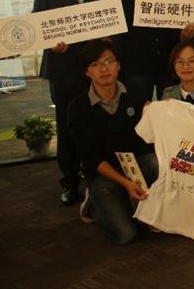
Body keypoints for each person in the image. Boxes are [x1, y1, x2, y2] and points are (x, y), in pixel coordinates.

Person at [33, 0, 120, 205]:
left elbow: (115, 29)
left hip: (98, 70)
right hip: (62, 68)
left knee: (100, 123)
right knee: (66, 125)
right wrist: (50, 43)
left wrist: (108, 39)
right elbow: (38, 26)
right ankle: (69, 182)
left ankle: (98, 177)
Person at [68, 38, 157, 245]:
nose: (104, 69)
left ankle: (129, 201)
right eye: (95, 64)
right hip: (103, 172)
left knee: (155, 163)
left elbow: (148, 137)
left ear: (118, 66)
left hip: (134, 165)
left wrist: (160, 111)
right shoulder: (77, 108)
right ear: (87, 72)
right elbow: (91, 158)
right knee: (125, 235)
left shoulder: (135, 94)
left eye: (109, 61)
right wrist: (125, 183)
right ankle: (94, 202)